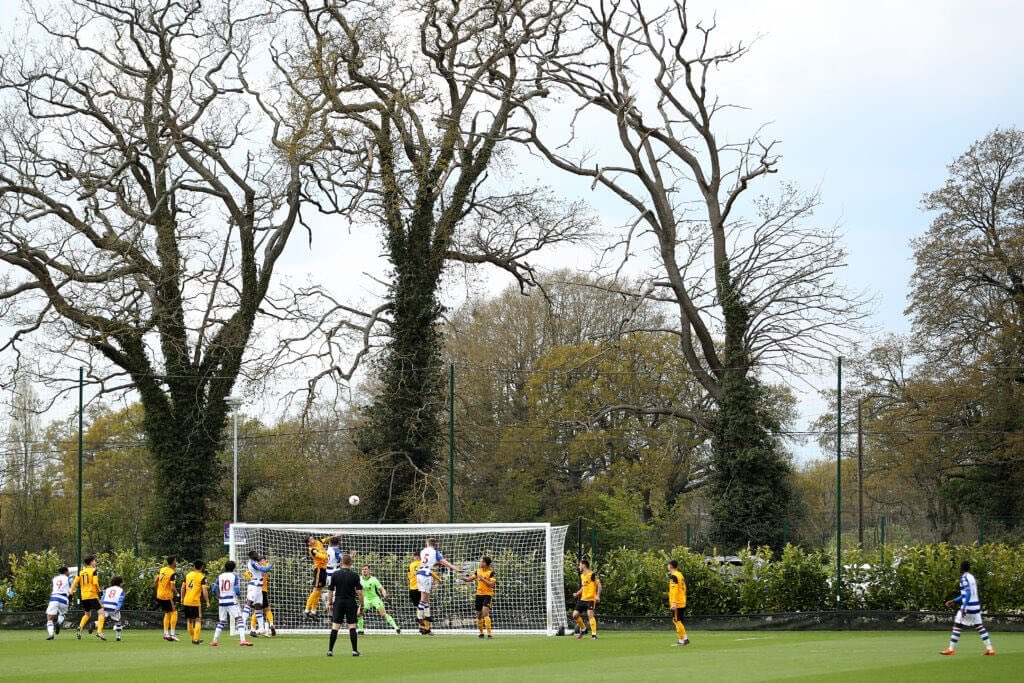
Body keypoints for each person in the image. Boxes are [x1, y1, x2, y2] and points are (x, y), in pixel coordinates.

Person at [941, 560, 995, 656]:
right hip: (976, 607)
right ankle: (990, 649)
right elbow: (965, 593)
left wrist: (964, 607)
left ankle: (951, 649)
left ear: (961, 568)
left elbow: (968, 593)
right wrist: (954, 601)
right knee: (980, 627)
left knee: (957, 627)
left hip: (969, 607)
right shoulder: (971, 577)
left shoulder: (964, 578)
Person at [416, 538, 459, 635]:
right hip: (426, 575)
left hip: (420, 574)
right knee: (423, 599)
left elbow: (427, 562)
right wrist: (455, 569)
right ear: (434, 544)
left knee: (426, 599)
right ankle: (419, 618)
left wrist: (436, 564)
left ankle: (427, 616)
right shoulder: (436, 552)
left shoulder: (423, 551)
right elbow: (445, 562)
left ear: (427, 543)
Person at [325, 553, 363, 657]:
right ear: (351, 563)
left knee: (335, 627)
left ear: (341, 563)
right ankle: (355, 651)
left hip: (338, 602)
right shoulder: (355, 575)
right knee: (352, 627)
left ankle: (330, 650)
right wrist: (362, 605)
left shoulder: (335, 574)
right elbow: (359, 592)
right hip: (350, 602)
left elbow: (330, 591)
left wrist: (330, 603)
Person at [212, 560, 252, 647]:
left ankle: (214, 641)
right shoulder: (234, 576)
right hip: (232, 601)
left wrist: (219, 597)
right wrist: (239, 596)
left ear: (225, 567)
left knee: (222, 621)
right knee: (239, 619)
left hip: (222, 601)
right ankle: (243, 640)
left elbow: (214, 590)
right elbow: (237, 590)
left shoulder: (220, 576)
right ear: (233, 568)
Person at [460, 556, 496, 639]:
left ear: (485, 563)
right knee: (479, 615)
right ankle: (481, 633)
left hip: (487, 595)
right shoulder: (478, 571)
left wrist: (482, 579)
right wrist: (464, 579)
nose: (480, 563)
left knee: (485, 613)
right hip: (479, 594)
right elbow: (470, 579)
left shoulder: (491, 572)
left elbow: (491, 584)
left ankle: (489, 634)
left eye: (481, 562)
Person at [357, 565, 400, 634]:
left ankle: (397, 628)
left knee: (383, 614)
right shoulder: (359, 579)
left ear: (369, 571)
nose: (364, 571)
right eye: (362, 569)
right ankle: (361, 630)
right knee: (359, 613)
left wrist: (385, 595)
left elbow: (382, 589)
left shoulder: (374, 579)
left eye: (365, 569)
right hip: (366, 599)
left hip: (375, 599)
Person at [71, 554, 102, 640]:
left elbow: (74, 583)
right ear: (91, 562)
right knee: (101, 612)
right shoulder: (93, 571)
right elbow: (95, 583)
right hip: (92, 594)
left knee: (87, 614)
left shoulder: (81, 572)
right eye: (95, 561)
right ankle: (99, 632)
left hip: (84, 597)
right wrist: (99, 590)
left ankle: (80, 627)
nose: (95, 562)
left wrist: (71, 592)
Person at [180, 560, 210, 645]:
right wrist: (207, 601)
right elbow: (204, 590)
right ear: (202, 567)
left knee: (189, 621)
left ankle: (193, 639)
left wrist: (182, 598)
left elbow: (182, 588)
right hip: (195, 601)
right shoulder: (202, 577)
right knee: (198, 620)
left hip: (186, 600)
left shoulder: (188, 575)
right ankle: (196, 639)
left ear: (194, 566)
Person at [244, 550, 273, 636]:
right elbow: (265, 569)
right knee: (249, 604)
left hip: (259, 587)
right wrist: (271, 565)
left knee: (258, 607)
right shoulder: (253, 563)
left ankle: (261, 628)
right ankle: (242, 621)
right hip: (254, 586)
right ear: (252, 556)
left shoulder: (255, 563)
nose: (257, 555)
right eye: (256, 554)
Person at [407, 557, 439, 633]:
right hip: (422, 586)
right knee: (425, 604)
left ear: (415, 557)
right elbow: (430, 572)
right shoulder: (424, 564)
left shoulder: (411, 565)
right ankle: (427, 628)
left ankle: (421, 627)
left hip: (413, 588)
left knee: (420, 606)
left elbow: (408, 576)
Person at [571, 558, 601, 640]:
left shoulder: (592, 574)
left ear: (584, 565)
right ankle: (584, 630)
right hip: (582, 599)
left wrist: (597, 595)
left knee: (590, 614)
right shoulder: (582, 576)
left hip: (591, 599)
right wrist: (577, 593)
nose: (579, 567)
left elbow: (599, 585)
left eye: (580, 565)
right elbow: (584, 587)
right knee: (575, 615)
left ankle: (594, 635)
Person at [245, 566, 276, 637]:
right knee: (267, 609)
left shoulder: (252, 571)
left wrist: (249, 576)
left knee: (257, 611)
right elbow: (267, 569)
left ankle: (252, 630)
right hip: (262, 591)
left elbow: (246, 574)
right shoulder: (263, 568)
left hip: (253, 591)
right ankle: (271, 624)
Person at [155, 556, 179, 641]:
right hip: (167, 596)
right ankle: (172, 634)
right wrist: (177, 593)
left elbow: (156, 580)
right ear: (173, 562)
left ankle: (166, 633)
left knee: (167, 613)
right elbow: (172, 587)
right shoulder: (172, 573)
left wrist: (157, 589)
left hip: (159, 595)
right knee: (174, 613)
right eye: (176, 561)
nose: (176, 563)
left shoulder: (162, 569)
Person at [304, 535, 328, 618]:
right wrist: (327, 555)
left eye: (313, 538)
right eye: (311, 539)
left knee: (319, 591)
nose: (313, 540)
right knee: (316, 590)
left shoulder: (318, 542)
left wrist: (332, 537)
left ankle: (313, 611)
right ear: (308, 543)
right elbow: (322, 556)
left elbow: (323, 540)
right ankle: (307, 609)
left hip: (324, 570)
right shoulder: (312, 550)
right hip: (318, 570)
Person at [45, 566, 72, 640]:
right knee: (62, 614)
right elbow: (73, 588)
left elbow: (52, 588)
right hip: (64, 598)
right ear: (66, 572)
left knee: (49, 618)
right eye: (68, 571)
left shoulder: (54, 578)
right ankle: (59, 622)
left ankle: (51, 634)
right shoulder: (69, 578)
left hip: (54, 598)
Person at [98, 576, 126, 642]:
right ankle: (118, 637)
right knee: (118, 621)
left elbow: (102, 597)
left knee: (102, 620)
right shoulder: (121, 591)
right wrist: (118, 608)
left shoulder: (107, 589)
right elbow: (120, 600)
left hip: (104, 606)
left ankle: (95, 624)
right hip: (113, 606)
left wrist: (101, 605)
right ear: (120, 583)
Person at [668, 559, 688, 646]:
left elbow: (674, 590)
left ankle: (683, 640)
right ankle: (683, 639)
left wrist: (673, 602)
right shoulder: (680, 575)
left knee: (677, 620)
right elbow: (684, 588)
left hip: (677, 602)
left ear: (670, 566)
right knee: (679, 620)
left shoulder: (674, 576)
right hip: (682, 600)